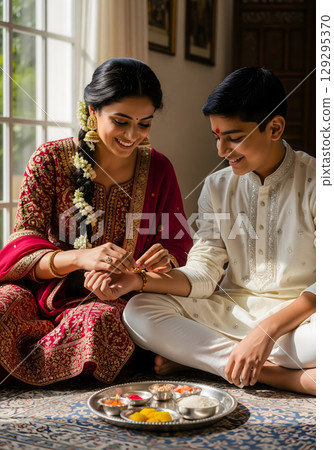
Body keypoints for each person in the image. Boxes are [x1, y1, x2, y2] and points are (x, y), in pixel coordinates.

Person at [93, 67, 316, 396]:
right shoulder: (217, 186)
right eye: (217, 136)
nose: (221, 150)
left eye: (234, 137)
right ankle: (279, 376)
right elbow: (204, 270)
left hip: (301, 324)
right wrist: (138, 280)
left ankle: (206, 359)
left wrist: (266, 332)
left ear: (275, 127)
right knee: (139, 311)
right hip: (230, 312)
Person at [0, 58, 192, 386]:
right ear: (93, 111)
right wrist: (79, 258)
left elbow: (177, 242)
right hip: (42, 293)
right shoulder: (49, 160)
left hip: (115, 299)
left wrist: (166, 258)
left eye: (144, 124)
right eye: (121, 121)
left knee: (100, 322)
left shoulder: (159, 168)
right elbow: (23, 243)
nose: (133, 135)